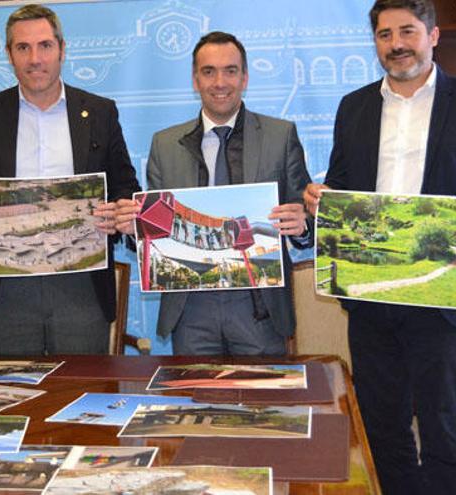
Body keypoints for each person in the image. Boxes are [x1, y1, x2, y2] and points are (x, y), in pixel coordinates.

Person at [303, 1, 456, 493]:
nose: (396, 44)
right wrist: (321, 198)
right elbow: (342, 183)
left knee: (444, 423)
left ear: (434, 35)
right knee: (382, 425)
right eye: (384, 35)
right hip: (371, 288)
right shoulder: (354, 106)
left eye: (407, 31)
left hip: (443, 289)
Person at [0, 4, 140, 355]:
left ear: (62, 49)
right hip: (7, 287)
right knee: (16, 396)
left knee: (81, 395)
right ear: (9, 54)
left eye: (45, 46)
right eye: (23, 48)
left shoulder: (99, 112)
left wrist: (120, 212)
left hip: (81, 283)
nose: (35, 58)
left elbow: (126, 186)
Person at [116, 32, 312, 356]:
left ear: (245, 77)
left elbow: (305, 217)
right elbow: (156, 230)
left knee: (263, 404)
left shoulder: (281, 136)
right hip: (191, 307)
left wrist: (302, 223)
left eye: (230, 71)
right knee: (195, 404)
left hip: (258, 307)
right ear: (195, 80)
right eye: (208, 72)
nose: (220, 82)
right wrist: (133, 228)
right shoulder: (164, 145)